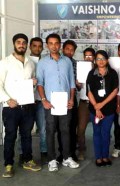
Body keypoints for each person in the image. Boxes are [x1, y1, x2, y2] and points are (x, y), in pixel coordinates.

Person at [0, 33, 42, 178]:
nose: (21, 45)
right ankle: (8, 164)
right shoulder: (5, 62)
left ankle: (27, 160)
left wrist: (34, 83)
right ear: (14, 44)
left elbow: (32, 84)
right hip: (11, 107)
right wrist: (7, 99)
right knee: (10, 136)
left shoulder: (30, 62)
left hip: (28, 106)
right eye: (19, 42)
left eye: (24, 42)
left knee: (27, 136)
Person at [37, 33, 79, 172]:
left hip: (66, 102)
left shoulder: (67, 61)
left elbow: (72, 83)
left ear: (60, 45)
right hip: (50, 102)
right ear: (47, 45)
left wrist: (72, 98)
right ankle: (52, 159)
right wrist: (44, 100)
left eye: (56, 43)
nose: (54, 46)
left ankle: (67, 157)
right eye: (51, 43)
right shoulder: (42, 62)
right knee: (50, 130)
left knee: (65, 130)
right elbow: (40, 83)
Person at [86, 50, 119, 167]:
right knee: (96, 133)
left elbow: (115, 90)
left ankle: (105, 156)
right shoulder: (91, 73)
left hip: (109, 109)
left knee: (106, 133)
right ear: (95, 60)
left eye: (103, 58)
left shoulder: (113, 73)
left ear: (107, 60)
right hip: (94, 109)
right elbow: (89, 91)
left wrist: (102, 104)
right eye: (98, 59)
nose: (101, 61)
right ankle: (98, 157)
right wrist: (96, 107)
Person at [29, 37, 48, 163]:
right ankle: (23, 153)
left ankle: (44, 152)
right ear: (30, 47)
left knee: (43, 129)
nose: (37, 48)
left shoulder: (46, 61)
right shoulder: (25, 61)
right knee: (25, 129)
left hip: (41, 100)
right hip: (27, 100)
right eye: (34, 46)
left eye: (40, 46)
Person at [60, 39, 79, 162]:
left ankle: (71, 152)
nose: (69, 51)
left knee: (72, 127)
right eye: (67, 49)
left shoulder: (76, 64)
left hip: (72, 99)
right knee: (61, 128)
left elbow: (77, 84)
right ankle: (62, 153)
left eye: (72, 50)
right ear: (63, 49)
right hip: (58, 98)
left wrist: (79, 84)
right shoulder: (57, 61)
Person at [77, 47, 95, 161]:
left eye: (90, 56)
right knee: (81, 128)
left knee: (99, 128)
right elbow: (78, 89)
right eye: (86, 56)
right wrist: (78, 84)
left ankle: (101, 150)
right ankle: (81, 150)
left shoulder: (99, 68)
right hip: (84, 102)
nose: (88, 58)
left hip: (97, 104)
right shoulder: (80, 68)